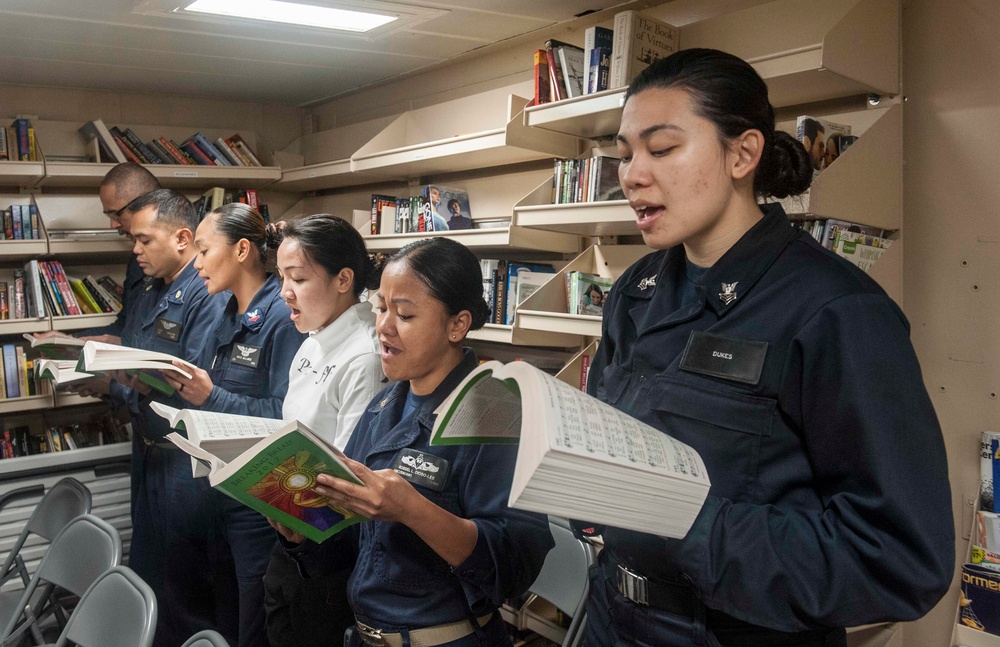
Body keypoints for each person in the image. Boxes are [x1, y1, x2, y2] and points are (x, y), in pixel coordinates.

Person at [582, 48, 953, 646]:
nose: (633, 174)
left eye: (663, 147)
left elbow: (899, 556)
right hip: (613, 617)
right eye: (625, 154)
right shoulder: (636, 291)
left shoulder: (834, 311)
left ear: (742, 153)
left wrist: (689, 523)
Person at [274, 237, 554, 647]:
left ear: (457, 325)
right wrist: (300, 534)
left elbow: (510, 567)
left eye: (404, 314)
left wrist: (409, 508)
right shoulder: (385, 401)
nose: (384, 326)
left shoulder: (497, 413)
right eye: (381, 308)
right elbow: (351, 536)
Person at [163, 203, 307, 647]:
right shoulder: (223, 310)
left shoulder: (282, 318)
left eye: (205, 250)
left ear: (242, 250)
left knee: (254, 624)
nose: (198, 263)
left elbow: (289, 416)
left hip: (259, 499)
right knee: (222, 610)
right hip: (220, 487)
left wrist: (213, 397)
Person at [262, 214, 386, 647]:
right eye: (281, 277)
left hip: (330, 552)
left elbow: (351, 472)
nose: (284, 292)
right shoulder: (313, 338)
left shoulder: (365, 356)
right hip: (292, 534)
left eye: (297, 277)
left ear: (343, 279)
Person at [114, 189, 229, 647]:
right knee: (149, 577)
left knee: (185, 589)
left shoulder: (207, 294)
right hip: (149, 449)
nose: (135, 251)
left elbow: (194, 384)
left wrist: (128, 382)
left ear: (183, 238)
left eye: (143, 240)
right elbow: (131, 349)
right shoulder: (148, 289)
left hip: (185, 461)